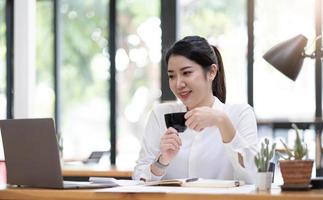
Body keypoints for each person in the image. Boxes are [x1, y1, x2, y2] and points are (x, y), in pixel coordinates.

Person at [133, 36, 258, 184]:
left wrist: (222, 121)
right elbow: (138, 179)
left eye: (186, 73)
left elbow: (255, 177)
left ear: (212, 72)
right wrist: (162, 161)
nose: (178, 84)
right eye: (172, 76)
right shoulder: (160, 114)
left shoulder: (240, 114)